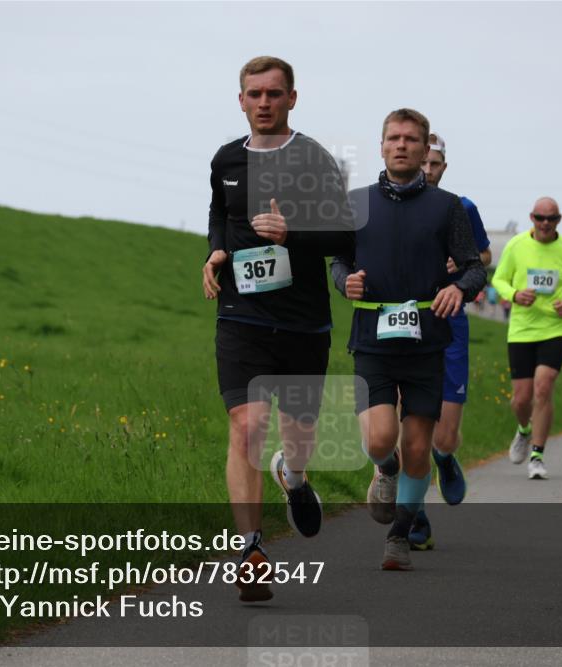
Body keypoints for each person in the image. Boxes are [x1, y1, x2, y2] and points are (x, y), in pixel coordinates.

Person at [203, 56, 354, 601]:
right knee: (247, 425)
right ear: (240, 100)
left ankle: (293, 476)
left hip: (303, 322)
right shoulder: (225, 159)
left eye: (273, 93)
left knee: (299, 436)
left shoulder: (314, 160)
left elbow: (343, 237)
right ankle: (249, 551)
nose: (263, 102)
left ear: (292, 98)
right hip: (241, 316)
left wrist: (293, 235)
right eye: (253, 94)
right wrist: (215, 251)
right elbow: (221, 213)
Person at [331, 109, 485, 570]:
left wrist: (459, 288)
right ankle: (385, 469)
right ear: (381, 147)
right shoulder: (355, 203)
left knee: (419, 446)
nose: (401, 145)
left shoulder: (447, 206)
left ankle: (399, 536)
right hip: (373, 341)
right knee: (382, 440)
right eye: (393, 138)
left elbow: (475, 266)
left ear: (424, 150)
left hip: (426, 343)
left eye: (411, 140)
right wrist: (345, 282)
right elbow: (338, 261)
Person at [405, 133, 492, 551]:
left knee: (443, 434)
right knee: (408, 424)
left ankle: (444, 458)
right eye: (424, 163)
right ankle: (416, 515)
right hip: (405, 322)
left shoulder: (462, 207)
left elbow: (485, 257)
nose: (428, 170)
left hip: (451, 322)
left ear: (443, 167)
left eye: (435, 164)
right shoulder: (392, 205)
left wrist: (462, 260)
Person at [492, 197, 562, 479]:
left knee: (544, 387)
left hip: (555, 328)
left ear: (559, 220)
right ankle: (524, 430)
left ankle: (537, 455)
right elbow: (499, 279)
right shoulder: (516, 245)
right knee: (521, 400)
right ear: (532, 218)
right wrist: (514, 295)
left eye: (551, 219)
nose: (545, 224)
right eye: (540, 218)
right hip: (522, 330)